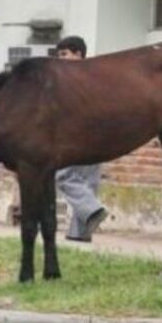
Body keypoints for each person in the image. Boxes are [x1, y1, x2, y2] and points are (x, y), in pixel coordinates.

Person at [55, 35, 109, 242]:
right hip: (99, 132)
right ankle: (80, 233)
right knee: (87, 182)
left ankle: (94, 211)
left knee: (63, 176)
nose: (60, 59)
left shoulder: (79, 76)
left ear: (78, 53)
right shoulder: (96, 74)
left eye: (64, 54)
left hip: (82, 132)